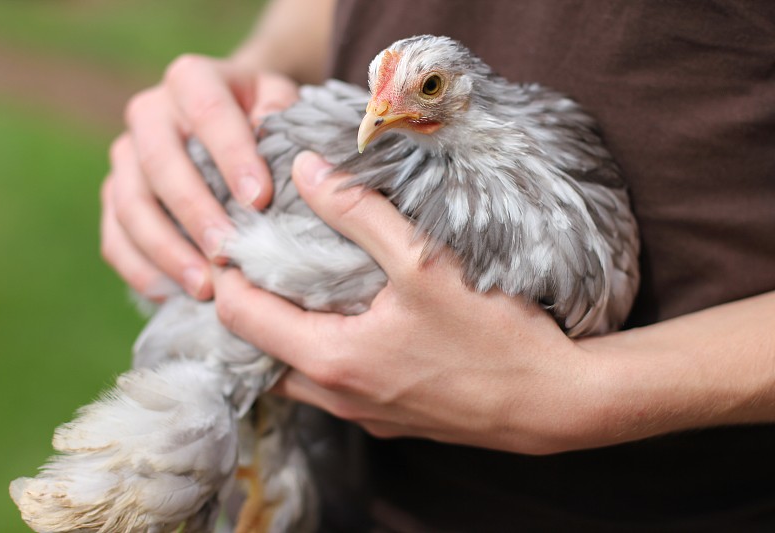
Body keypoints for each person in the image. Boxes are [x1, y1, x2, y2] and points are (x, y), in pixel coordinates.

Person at [101, 0, 775, 529]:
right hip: (362, 487)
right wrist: (260, 65)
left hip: (677, 500)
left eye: (423, 88)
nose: (387, 110)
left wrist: (590, 392)